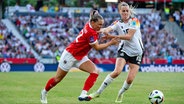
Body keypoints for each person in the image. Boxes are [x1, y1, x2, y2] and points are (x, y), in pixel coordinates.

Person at [40, 10, 118, 104]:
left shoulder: (90, 24)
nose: (100, 27)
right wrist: (111, 43)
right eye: (99, 24)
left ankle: (83, 94)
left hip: (80, 56)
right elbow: (97, 47)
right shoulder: (90, 32)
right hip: (70, 55)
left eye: (102, 24)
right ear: (93, 22)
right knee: (57, 79)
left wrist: (95, 16)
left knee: (95, 72)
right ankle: (44, 92)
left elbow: (96, 25)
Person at [88, 2, 144, 103]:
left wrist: (112, 36)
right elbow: (107, 29)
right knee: (117, 71)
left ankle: (121, 93)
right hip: (124, 49)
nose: (125, 12)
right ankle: (98, 92)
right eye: (123, 11)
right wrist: (98, 30)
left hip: (137, 52)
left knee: (130, 79)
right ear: (119, 11)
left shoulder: (135, 21)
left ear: (129, 11)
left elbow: (129, 36)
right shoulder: (117, 22)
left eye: (127, 11)